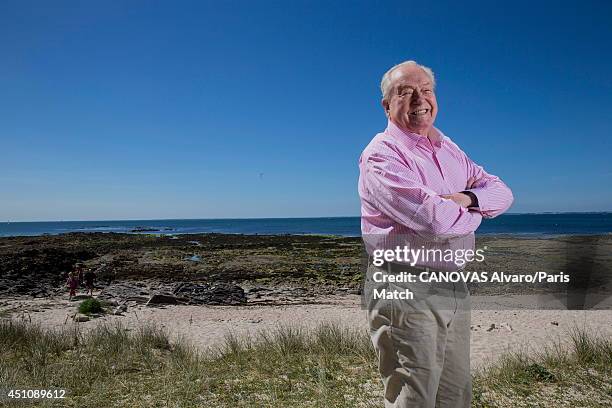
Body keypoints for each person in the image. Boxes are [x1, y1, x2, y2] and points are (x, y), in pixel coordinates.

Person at [358, 60, 513, 407]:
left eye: (426, 90)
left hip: (453, 284)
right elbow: (435, 222)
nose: (419, 99)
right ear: (387, 105)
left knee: (455, 393)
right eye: (406, 92)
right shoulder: (381, 156)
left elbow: (503, 192)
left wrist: (466, 199)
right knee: (414, 394)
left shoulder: (448, 148)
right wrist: (478, 215)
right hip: (404, 285)